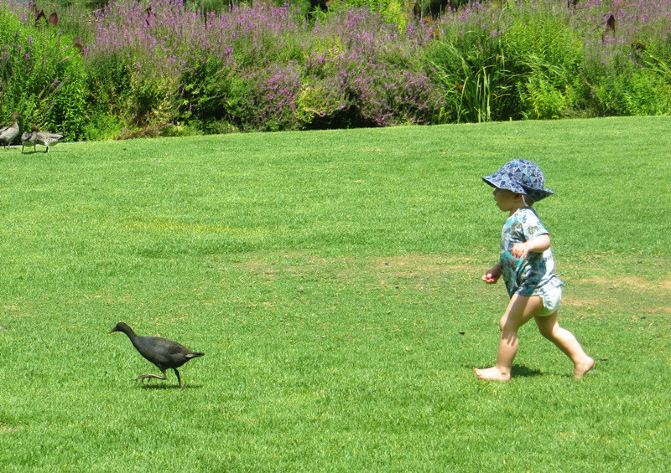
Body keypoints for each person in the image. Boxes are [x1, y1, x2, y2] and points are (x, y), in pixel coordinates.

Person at [475, 159, 594, 381]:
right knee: (550, 329)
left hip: (536, 287)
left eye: (499, 189)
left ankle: (502, 370)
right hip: (545, 287)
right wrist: (499, 268)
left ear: (516, 195)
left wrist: (529, 245)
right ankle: (582, 359)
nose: (494, 194)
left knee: (507, 323)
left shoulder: (526, 217)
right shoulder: (515, 217)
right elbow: (513, 253)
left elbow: (544, 239)